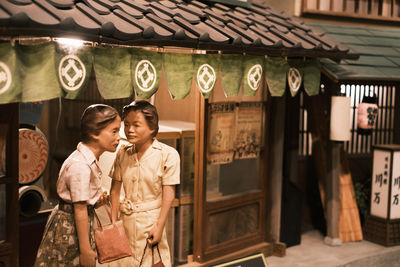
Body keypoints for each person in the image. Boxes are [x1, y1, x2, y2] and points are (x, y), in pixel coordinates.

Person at [35, 104, 121, 267]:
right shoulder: (80, 165)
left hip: (78, 224)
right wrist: (85, 250)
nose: (118, 137)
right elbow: (80, 208)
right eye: (114, 131)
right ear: (95, 133)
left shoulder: (87, 160)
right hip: (69, 227)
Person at [109, 100, 180, 267]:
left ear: (152, 127)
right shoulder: (122, 153)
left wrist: (159, 226)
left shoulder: (168, 155)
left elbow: (169, 194)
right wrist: (114, 224)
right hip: (125, 222)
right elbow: (114, 191)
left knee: (151, 261)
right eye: (126, 124)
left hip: (151, 222)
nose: (129, 130)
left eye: (136, 125)